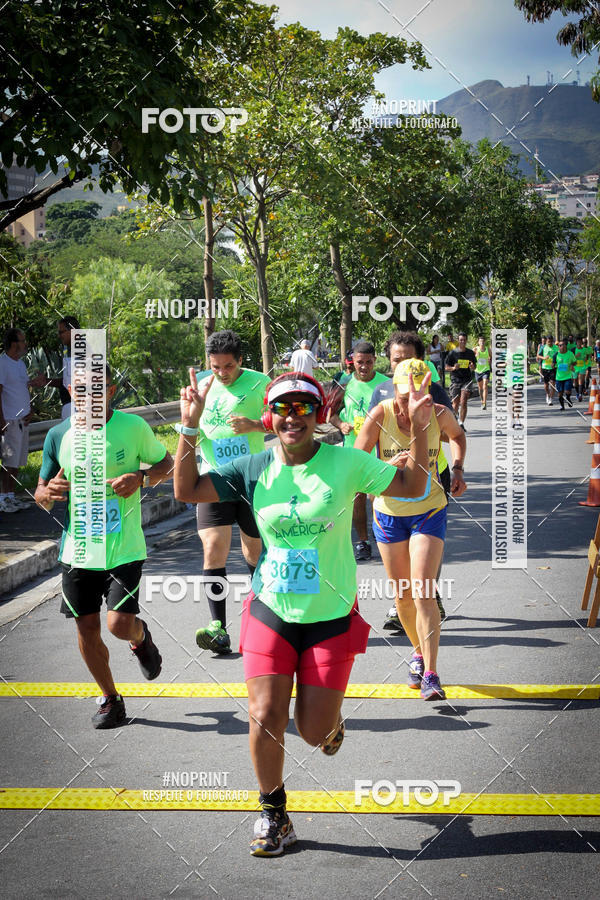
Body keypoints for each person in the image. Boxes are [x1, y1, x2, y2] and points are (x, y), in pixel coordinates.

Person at [173, 366, 433, 855]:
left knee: (312, 731)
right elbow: (185, 490)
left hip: (330, 614)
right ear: (268, 417)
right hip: (271, 606)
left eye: (303, 408)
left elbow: (412, 484)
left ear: (320, 413)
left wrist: (419, 426)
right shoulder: (252, 469)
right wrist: (191, 424)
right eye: (282, 408)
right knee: (266, 713)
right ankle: (274, 813)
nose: (292, 418)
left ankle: (330, 724)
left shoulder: (346, 463)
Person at [34, 364, 173, 729]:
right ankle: (111, 699)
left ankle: (140, 638)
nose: (87, 398)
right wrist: (48, 493)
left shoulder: (133, 427)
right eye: (79, 390)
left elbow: (168, 464)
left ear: (111, 391)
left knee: (118, 623)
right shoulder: (58, 435)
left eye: (96, 390)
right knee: (86, 629)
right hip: (79, 549)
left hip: (124, 547)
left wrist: (141, 478)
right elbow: (40, 492)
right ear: (68, 389)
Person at [356, 358, 466, 701]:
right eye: (404, 396)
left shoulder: (438, 413)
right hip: (388, 513)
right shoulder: (381, 413)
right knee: (402, 595)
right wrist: (386, 466)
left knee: (422, 591)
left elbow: (458, 436)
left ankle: (431, 673)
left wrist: (458, 468)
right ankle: (417, 651)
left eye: (417, 395)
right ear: (394, 390)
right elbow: (357, 459)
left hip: (429, 510)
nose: (409, 404)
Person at [368, 330, 461, 630]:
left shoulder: (434, 392)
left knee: (425, 546)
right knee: (398, 554)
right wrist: (377, 472)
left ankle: (430, 595)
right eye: (397, 360)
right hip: (391, 478)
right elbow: (368, 443)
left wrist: (457, 468)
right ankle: (403, 606)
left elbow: (453, 432)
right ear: (389, 362)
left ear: (420, 361)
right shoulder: (380, 394)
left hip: (434, 471)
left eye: (409, 359)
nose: (403, 366)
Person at [192, 330, 271, 655]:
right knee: (213, 547)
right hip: (213, 478)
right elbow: (189, 426)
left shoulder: (259, 382)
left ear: (240, 360)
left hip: (252, 480)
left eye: (228, 366)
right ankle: (218, 627)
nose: (221, 373)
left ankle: (263, 621)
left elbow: (287, 420)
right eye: (215, 367)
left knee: (253, 552)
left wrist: (255, 425)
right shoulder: (200, 385)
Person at [329, 340, 388, 560]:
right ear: (352, 362)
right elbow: (331, 414)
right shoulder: (343, 383)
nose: (363, 366)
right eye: (359, 362)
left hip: (379, 450)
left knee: (377, 498)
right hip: (352, 450)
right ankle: (363, 542)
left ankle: (382, 537)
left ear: (375, 361)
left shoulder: (386, 384)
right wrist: (340, 425)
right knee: (357, 498)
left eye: (368, 362)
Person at [0, 327, 46, 513]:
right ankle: (3, 497)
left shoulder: (19, 364)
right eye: (22, 340)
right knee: (9, 461)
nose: (25, 344)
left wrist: (30, 409)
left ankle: (10, 496)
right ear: (13, 343)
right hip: (10, 419)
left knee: (17, 461)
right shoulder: (2, 363)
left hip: (22, 420)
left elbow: (20, 388)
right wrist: (1, 420)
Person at [45, 315, 81, 418]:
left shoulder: (83, 351)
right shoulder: (68, 349)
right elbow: (67, 382)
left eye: (61, 332)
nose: (59, 335)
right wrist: (46, 381)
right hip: (70, 406)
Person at [445, 333, 476, 431]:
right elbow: (446, 367)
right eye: (461, 340)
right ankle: (454, 421)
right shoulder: (452, 353)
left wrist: (472, 367)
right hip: (455, 380)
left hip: (467, 380)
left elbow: (474, 366)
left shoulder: (470, 353)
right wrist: (454, 368)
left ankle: (461, 423)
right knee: (455, 403)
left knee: (463, 401)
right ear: (458, 341)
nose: (462, 342)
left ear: (466, 340)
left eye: (464, 340)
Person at [555, 338, 576, 410]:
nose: (561, 346)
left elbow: (575, 362)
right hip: (559, 377)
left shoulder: (570, 354)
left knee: (567, 391)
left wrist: (572, 365)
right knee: (560, 393)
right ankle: (562, 406)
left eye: (562, 345)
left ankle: (568, 398)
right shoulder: (556, 355)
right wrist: (552, 365)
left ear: (565, 346)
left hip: (568, 376)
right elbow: (553, 364)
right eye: (559, 345)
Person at [537, 335, 558, 406]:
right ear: (546, 341)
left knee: (553, 383)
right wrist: (543, 358)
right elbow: (538, 355)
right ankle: (548, 394)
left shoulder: (556, 347)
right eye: (548, 342)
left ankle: (551, 399)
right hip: (545, 367)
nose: (549, 343)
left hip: (553, 367)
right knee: (546, 385)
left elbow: (559, 355)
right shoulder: (543, 347)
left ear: (553, 341)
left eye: (551, 342)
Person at [473, 335, 491, 410]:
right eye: (480, 341)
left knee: (485, 385)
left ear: (485, 342)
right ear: (478, 342)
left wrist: (490, 360)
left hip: (486, 370)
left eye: (483, 341)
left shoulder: (488, 349)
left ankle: (484, 402)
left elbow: (492, 357)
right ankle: (482, 401)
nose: (482, 343)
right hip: (478, 371)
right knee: (480, 388)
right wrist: (475, 356)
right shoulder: (475, 349)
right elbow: (470, 357)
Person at [574, 337, 588, 402]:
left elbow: (586, 357)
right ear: (576, 343)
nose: (579, 343)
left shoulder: (584, 350)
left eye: (580, 342)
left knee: (581, 381)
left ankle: (580, 395)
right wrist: (576, 356)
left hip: (582, 367)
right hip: (575, 368)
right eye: (578, 342)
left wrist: (585, 359)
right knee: (575, 383)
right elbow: (570, 358)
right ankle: (577, 393)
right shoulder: (573, 349)